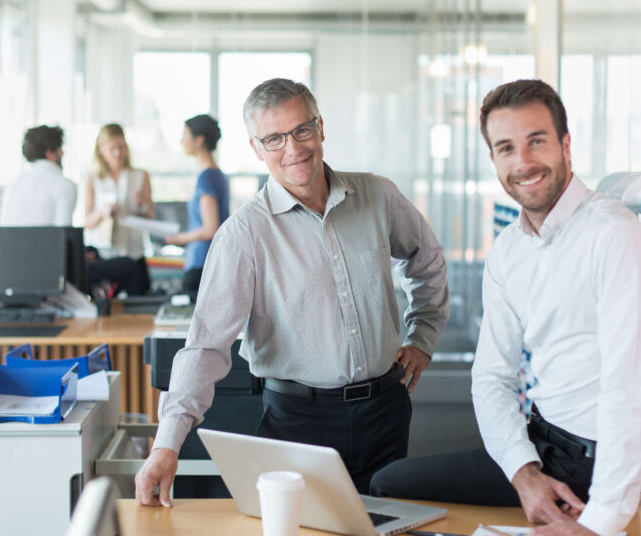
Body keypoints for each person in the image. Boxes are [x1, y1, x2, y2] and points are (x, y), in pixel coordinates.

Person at [369, 79, 641, 536]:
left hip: (590, 462)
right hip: (539, 443)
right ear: (494, 160)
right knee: (388, 484)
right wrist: (523, 473)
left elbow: (631, 386)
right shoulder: (509, 249)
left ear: (566, 145)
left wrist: (602, 520)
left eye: (537, 141)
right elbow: (490, 376)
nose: (523, 162)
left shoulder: (615, 237)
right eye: (507, 148)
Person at [135, 78, 449, 505]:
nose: (293, 148)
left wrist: (422, 337)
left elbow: (426, 260)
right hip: (300, 423)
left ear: (320, 127)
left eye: (302, 130)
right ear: (256, 148)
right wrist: (167, 443)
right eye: (275, 138)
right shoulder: (244, 234)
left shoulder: (377, 196)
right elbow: (205, 347)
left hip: (385, 411)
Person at [162, 114, 230, 301]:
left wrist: (179, 238)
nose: (181, 141)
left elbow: (210, 229)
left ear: (199, 140)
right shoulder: (217, 175)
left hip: (201, 263)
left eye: (185, 135)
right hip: (210, 261)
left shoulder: (207, 177)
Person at [83, 123, 154, 296]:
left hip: (134, 253)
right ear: (101, 150)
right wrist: (102, 212)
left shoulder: (140, 175)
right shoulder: (93, 178)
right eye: (112, 149)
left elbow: (150, 216)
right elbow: (86, 222)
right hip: (106, 257)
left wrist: (142, 203)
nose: (118, 153)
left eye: (121, 147)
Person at [0, 125, 76, 226]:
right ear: (50, 153)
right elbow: (63, 233)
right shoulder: (64, 185)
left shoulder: (15, 184)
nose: (62, 152)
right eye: (59, 148)